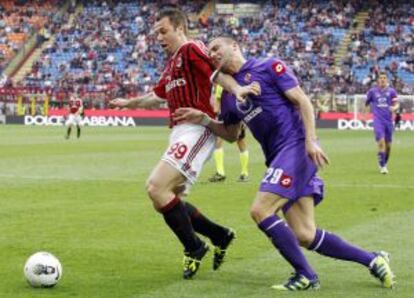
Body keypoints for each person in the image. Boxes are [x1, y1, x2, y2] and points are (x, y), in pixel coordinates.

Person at [173, 36, 395, 291]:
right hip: (278, 157)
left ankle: (306, 275)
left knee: (261, 210)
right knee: (304, 234)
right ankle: (372, 259)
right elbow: (232, 135)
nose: (211, 53)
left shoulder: (268, 67)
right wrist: (203, 119)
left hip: (297, 146)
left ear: (234, 46)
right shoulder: (228, 97)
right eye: (209, 50)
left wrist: (311, 141)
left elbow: (303, 100)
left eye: (216, 48)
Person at [109, 8, 258, 279]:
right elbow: (156, 96)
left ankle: (195, 247)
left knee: (156, 187)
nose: (159, 37)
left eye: (163, 31)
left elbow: (216, 74)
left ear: (179, 28)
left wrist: (237, 91)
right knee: (166, 198)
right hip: (179, 132)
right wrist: (128, 103)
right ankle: (219, 235)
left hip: (197, 128)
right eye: (156, 33)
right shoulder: (171, 64)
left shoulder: (191, 49)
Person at [209, 84, 250, 183]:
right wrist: (217, 116)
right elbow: (217, 103)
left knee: (240, 141)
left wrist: (244, 118)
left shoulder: (237, 82)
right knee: (220, 142)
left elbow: (245, 99)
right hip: (224, 116)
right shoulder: (221, 85)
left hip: (237, 116)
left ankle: (244, 173)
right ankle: (221, 173)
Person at [365, 72, 399, 174]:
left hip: (388, 121)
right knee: (381, 142)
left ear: (387, 80)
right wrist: (365, 112)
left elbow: (396, 104)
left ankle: (383, 161)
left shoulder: (392, 91)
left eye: (384, 78)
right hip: (378, 121)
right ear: (378, 80)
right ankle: (383, 166)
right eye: (381, 78)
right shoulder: (372, 91)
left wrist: (394, 108)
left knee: (388, 146)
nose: (382, 79)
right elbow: (366, 103)